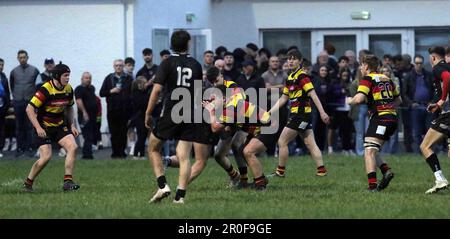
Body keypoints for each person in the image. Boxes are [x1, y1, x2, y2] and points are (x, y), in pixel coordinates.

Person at [145, 30, 203, 204]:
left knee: (153, 148)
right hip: (189, 111)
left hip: (172, 111)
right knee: (184, 156)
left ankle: (162, 186)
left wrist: (148, 113)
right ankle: (180, 197)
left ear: (171, 44)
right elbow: (199, 95)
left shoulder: (167, 62)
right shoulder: (196, 65)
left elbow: (156, 90)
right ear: (188, 43)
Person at [268, 49, 330, 178]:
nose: (290, 61)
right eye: (288, 59)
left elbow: (313, 94)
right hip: (298, 115)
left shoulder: (302, 77)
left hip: (300, 115)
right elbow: (284, 98)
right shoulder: (290, 77)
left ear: (300, 61)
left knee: (282, 141)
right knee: (310, 143)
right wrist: (270, 112)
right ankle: (321, 170)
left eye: (293, 58)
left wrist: (322, 113)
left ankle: (280, 172)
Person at [347, 55, 402, 191]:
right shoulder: (387, 79)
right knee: (371, 148)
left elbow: (359, 98)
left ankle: (372, 186)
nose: (360, 67)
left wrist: (349, 101)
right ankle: (386, 171)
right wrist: (388, 108)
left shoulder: (368, 79)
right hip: (392, 119)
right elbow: (399, 100)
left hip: (381, 119)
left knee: (369, 151)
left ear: (366, 66)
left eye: (361, 65)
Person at [23, 62, 80, 192]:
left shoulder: (68, 89)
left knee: (73, 147)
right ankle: (28, 183)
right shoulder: (46, 89)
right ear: (57, 76)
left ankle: (67, 181)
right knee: (46, 157)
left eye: (68, 75)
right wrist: (38, 128)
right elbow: (29, 109)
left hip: (59, 125)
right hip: (44, 127)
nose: (68, 78)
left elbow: (70, 107)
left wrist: (72, 125)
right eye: (65, 75)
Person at [203, 84, 272, 190]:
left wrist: (211, 111)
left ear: (224, 99)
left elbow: (215, 128)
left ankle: (260, 186)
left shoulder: (230, 108)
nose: (212, 102)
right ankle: (260, 179)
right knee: (242, 150)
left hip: (268, 127)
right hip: (261, 127)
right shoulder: (229, 105)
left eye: (214, 99)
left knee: (247, 152)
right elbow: (228, 128)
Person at [419, 46, 450, 194]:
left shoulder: (438, 68)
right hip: (445, 111)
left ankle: (440, 179)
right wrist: (436, 104)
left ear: (433, 58)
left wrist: (442, 100)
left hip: (448, 114)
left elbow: (447, 77)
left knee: (425, 146)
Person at [100, 59, 133, 158]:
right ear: (113, 67)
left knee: (123, 133)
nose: (118, 67)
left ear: (123, 66)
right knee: (114, 132)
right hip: (112, 110)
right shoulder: (109, 78)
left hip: (125, 111)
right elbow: (102, 93)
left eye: (120, 65)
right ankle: (115, 153)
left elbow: (133, 94)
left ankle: (122, 153)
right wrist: (111, 91)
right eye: (116, 65)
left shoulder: (129, 78)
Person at [10, 50, 40, 157]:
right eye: (20, 57)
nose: (22, 59)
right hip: (18, 101)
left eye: (24, 57)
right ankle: (20, 148)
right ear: (18, 58)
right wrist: (15, 96)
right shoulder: (14, 71)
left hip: (30, 102)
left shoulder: (35, 70)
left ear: (28, 57)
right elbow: (12, 85)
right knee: (19, 125)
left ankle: (29, 147)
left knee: (30, 125)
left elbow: (38, 86)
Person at [75, 72, 98, 159]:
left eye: (89, 78)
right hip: (84, 116)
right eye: (86, 78)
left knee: (92, 135)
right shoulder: (79, 89)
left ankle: (88, 153)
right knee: (87, 135)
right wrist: (84, 112)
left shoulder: (92, 88)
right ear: (82, 79)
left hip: (93, 116)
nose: (88, 80)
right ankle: (87, 155)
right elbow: (79, 101)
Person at [0, 58, 11, 158]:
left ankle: (1, 148)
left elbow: (7, 92)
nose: (1, 67)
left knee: (1, 128)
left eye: (2, 65)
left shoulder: (3, 77)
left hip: (2, 108)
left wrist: (7, 105)